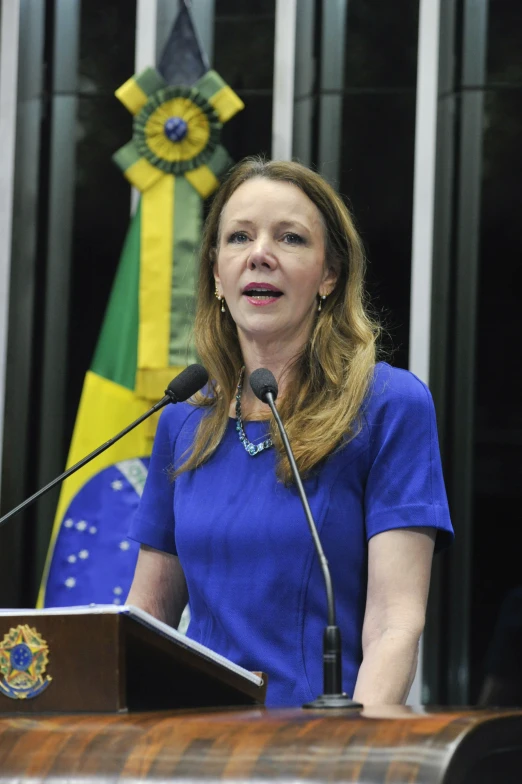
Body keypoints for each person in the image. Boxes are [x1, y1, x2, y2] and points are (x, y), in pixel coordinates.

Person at [126, 157, 453, 707]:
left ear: (329, 274)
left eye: (291, 238)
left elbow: (395, 623)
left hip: (318, 748)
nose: (260, 255)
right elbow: (148, 614)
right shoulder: (183, 419)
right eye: (239, 237)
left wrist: (350, 752)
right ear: (215, 273)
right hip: (189, 747)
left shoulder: (389, 406)